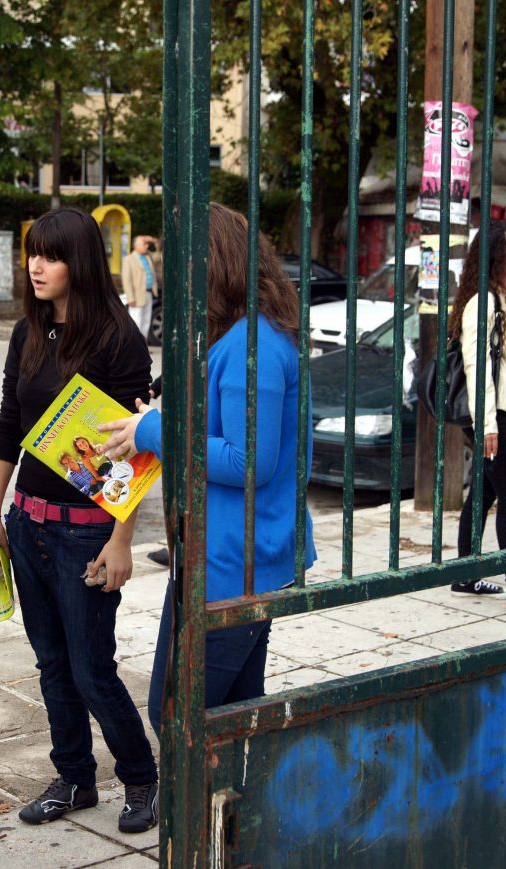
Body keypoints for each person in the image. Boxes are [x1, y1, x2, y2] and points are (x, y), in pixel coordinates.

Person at [97, 202, 317, 734]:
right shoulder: (241, 336)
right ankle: (231, 815)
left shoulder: (252, 345)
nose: (174, 276)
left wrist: (154, 431)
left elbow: (249, 462)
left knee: (175, 713)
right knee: (233, 715)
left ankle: (199, 816)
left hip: (236, 566)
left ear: (212, 264)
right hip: (229, 557)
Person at [0, 207, 159, 834]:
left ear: (78, 262)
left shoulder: (118, 339)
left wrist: (121, 540)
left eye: (49, 255)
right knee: (50, 663)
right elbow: (7, 428)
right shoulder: (28, 334)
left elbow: (139, 452)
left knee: (90, 668)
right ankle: (75, 777)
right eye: (32, 253)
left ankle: (140, 778)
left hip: (87, 530)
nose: (35, 265)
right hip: (27, 523)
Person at [448, 223, 506, 619]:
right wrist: (488, 423)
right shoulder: (482, 303)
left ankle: (466, 572)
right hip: (490, 417)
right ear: (493, 259)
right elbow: (476, 367)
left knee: (485, 495)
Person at [121, 235, 158, 340]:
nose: (146, 246)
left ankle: (144, 345)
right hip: (136, 296)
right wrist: (130, 298)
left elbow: (159, 255)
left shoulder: (148, 256)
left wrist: (153, 241)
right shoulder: (129, 259)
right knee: (136, 321)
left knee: (146, 321)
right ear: (136, 246)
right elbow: (126, 280)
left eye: (147, 244)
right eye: (144, 244)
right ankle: (135, 345)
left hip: (149, 293)